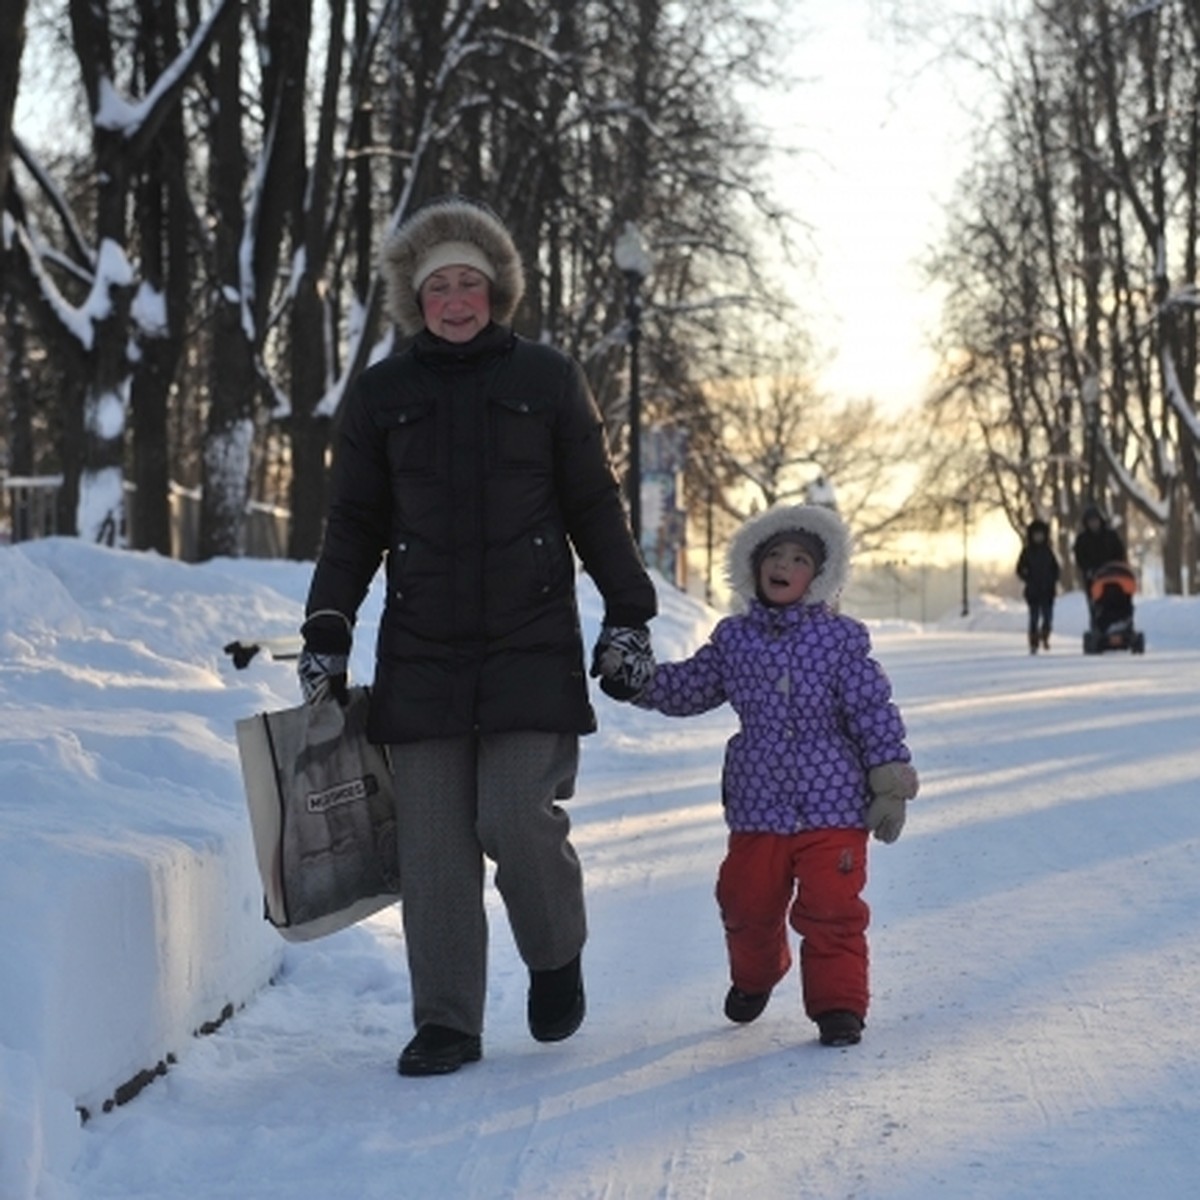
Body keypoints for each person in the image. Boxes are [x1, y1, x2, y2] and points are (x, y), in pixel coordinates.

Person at [298, 197, 656, 1077]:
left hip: (530, 637)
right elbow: (354, 524)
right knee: (430, 845)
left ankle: (554, 951)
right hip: (423, 646)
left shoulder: (547, 379)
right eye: (437, 288)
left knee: (513, 817)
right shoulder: (382, 396)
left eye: (470, 284)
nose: (455, 301)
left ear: (497, 291)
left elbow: (591, 504)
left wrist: (628, 612)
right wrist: (328, 627)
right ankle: (447, 1021)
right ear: (414, 301)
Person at [594, 504, 917, 1047]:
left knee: (833, 908)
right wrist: (639, 681)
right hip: (758, 804)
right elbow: (692, 687)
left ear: (820, 576)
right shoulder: (734, 640)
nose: (783, 564)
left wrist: (889, 779)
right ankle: (757, 974)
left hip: (834, 806)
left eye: (799, 558)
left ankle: (838, 1005)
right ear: (753, 566)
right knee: (745, 901)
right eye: (773, 555)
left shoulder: (841, 641)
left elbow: (872, 709)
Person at [1016, 518, 1060, 653]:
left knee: (1048, 617)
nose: (1038, 537)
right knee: (1034, 617)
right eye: (1036, 535)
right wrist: (1027, 578)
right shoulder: (1027, 552)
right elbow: (1019, 569)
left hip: (1048, 590)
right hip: (1033, 591)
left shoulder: (1048, 552)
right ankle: (1034, 642)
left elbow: (1056, 568)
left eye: (1040, 534)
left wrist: (1053, 579)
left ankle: (1045, 636)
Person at [1072, 503, 1126, 586]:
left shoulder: (1111, 535)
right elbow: (1080, 557)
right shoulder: (1082, 539)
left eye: (1095, 520)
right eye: (1090, 521)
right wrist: (1088, 569)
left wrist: (1116, 567)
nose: (1093, 523)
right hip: (1093, 577)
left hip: (1112, 574)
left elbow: (1119, 552)